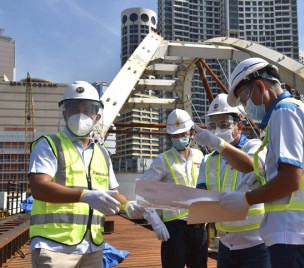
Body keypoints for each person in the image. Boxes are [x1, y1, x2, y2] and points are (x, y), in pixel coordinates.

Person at [195, 58, 304, 268]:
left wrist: (246, 199)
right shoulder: (293, 111)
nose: (245, 106)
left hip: (296, 236)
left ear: (259, 86)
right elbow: (283, 173)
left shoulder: (284, 112)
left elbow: (290, 180)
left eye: (244, 98)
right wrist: (262, 178)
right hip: (299, 235)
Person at [29, 81, 142, 268]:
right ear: (64, 113)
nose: (80, 115)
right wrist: (85, 195)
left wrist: (128, 205)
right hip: (54, 245)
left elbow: (113, 192)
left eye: (87, 109)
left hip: (92, 246)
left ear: (96, 116)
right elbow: (39, 187)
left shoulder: (102, 153)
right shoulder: (49, 144)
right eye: (74, 108)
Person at [196, 93, 271, 268]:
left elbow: (253, 166)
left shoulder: (254, 147)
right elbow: (202, 196)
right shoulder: (208, 160)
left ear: (239, 126)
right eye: (212, 126)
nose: (217, 130)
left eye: (224, 124)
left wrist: (219, 145)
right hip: (225, 245)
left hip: (258, 244)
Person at [139, 109, 208, 268]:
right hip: (175, 230)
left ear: (191, 132)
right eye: (175, 135)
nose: (179, 138)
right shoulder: (162, 160)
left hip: (199, 228)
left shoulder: (200, 156)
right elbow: (142, 192)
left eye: (182, 134)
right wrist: (156, 222)